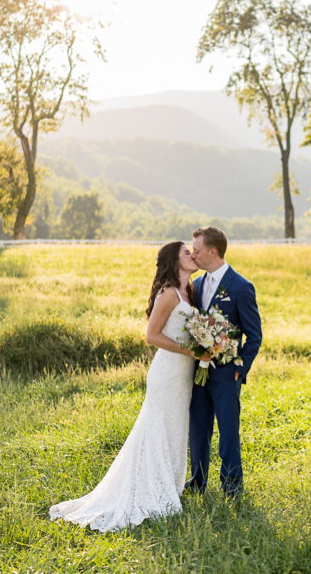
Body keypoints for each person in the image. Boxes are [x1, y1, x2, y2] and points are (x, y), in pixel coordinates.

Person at [48, 241, 209, 532]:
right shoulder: (169, 293)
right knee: (157, 427)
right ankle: (150, 489)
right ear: (175, 261)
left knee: (174, 427)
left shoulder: (191, 291)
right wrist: (189, 351)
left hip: (184, 376)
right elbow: (152, 336)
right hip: (167, 372)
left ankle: (169, 484)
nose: (193, 255)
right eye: (187, 252)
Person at [185, 226, 262, 498]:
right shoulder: (195, 285)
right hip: (198, 374)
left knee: (228, 433)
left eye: (196, 250)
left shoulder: (241, 287)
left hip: (228, 375)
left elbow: (254, 335)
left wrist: (240, 369)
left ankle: (231, 489)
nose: (193, 255)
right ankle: (196, 483)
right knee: (198, 430)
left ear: (212, 251)